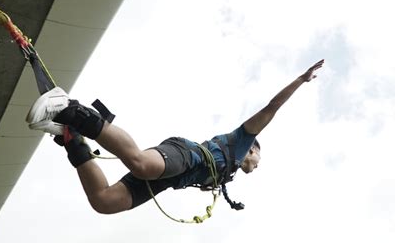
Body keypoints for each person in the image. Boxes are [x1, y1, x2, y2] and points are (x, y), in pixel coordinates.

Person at [26, 59, 324, 214]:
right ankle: (70, 110)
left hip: (170, 179)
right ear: (252, 149)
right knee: (140, 164)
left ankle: (72, 140)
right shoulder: (242, 140)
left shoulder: (226, 173)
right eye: (258, 158)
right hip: (183, 153)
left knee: (104, 202)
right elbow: (272, 108)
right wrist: (300, 79)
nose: (257, 164)